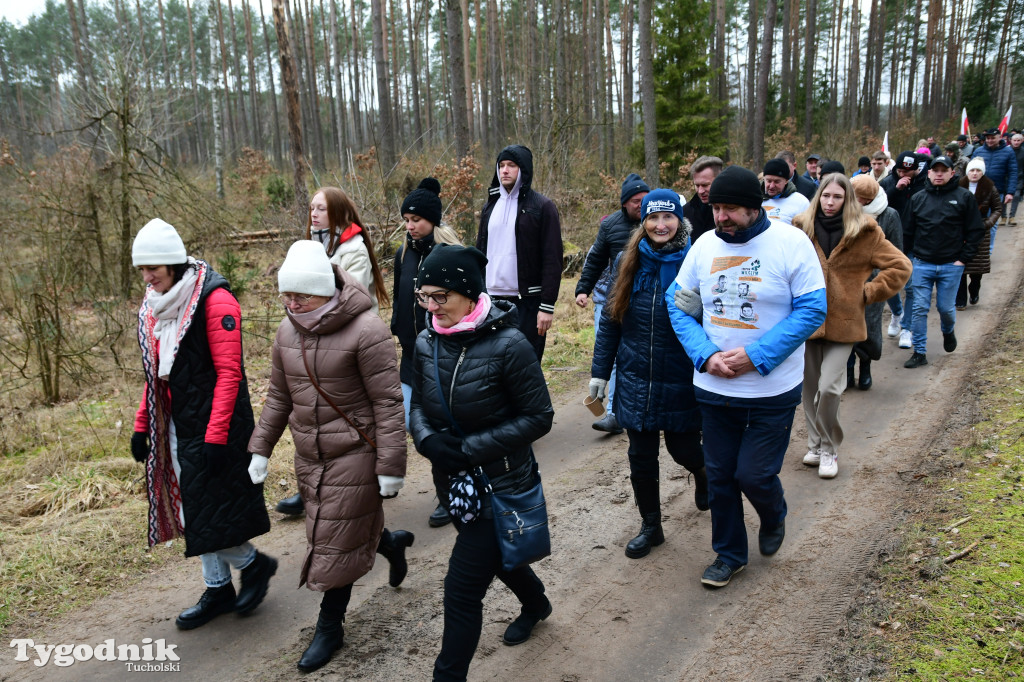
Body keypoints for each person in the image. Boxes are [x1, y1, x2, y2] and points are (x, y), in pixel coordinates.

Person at [247, 241, 409, 672]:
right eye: (286, 294)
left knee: (334, 542)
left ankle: (330, 628)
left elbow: (388, 403)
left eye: (301, 294)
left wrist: (391, 466)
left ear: (325, 289)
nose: (292, 302)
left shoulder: (367, 330)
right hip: (310, 455)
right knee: (343, 530)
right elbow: (279, 396)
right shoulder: (287, 331)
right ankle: (390, 545)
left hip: (355, 452)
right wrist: (260, 447)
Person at [667, 166, 827, 588]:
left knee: (753, 474)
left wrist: (755, 356)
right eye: (716, 208)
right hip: (714, 386)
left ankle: (774, 513)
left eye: (731, 209)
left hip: (773, 388)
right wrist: (705, 355)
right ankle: (730, 554)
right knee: (719, 474)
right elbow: (677, 304)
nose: (721, 217)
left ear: (755, 208)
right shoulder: (703, 246)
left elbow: (812, 309)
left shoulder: (791, 242)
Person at [409, 244, 555, 680]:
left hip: (502, 484)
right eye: (424, 297)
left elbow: (539, 417)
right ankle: (536, 602)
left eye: (441, 297)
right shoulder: (426, 340)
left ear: (470, 295)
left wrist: (472, 448)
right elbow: (418, 404)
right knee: (497, 555)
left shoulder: (510, 345)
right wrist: (427, 441)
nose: (431, 308)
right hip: (453, 480)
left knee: (461, 591)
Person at [130, 218, 274, 631]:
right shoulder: (157, 305)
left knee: (203, 511)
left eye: (151, 268)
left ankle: (252, 566)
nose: (146, 277)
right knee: (198, 509)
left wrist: (215, 438)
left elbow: (231, 374)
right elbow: (154, 372)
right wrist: (143, 426)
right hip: (179, 424)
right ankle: (220, 587)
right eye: (141, 270)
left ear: (172, 263)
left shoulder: (216, 300)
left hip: (218, 425)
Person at [589, 189, 708, 560]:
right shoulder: (628, 260)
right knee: (640, 457)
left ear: (680, 221)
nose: (660, 225)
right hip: (635, 375)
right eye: (653, 218)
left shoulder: (697, 261)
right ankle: (651, 526)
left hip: (679, 377)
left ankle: (703, 474)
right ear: (644, 222)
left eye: (668, 217)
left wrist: (703, 310)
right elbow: (610, 320)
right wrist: (600, 374)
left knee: (683, 448)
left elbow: (722, 321)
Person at [277, 186, 393, 517]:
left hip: (351, 345)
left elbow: (345, 301)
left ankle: (374, 472)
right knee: (314, 417)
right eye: (312, 208)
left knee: (353, 416)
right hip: (317, 343)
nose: (313, 214)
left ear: (338, 213)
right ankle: (313, 487)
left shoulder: (353, 249)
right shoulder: (312, 247)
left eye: (321, 209)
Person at [792, 174, 910, 478]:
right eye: (826, 196)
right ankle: (815, 444)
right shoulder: (799, 228)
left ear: (849, 200)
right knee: (809, 389)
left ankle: (830, 449)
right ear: (819, 197)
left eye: (838, 197)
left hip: (845, 323)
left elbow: (900, 266)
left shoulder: (866, 232)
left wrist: (868, 293)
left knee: (830, 387)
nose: (831, 203)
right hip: (806, 320)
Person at [391, 177, 461, 528]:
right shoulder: (402, 254)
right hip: (411, 355)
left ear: (432, 219)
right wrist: (396, 327)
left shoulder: (448, 255)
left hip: (444, 354)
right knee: (411, 421)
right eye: (406, 219)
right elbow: (398, 297)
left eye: (416, 219)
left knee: (438, 426)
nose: (410, 225)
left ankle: (450, 495)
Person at [574, 173, 651, 435]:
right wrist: (583, 289)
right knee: (612, 353)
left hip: (645, 301)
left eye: (644, 200)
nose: (641, 205)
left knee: (638, 356)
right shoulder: (610, 227)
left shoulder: (655, 225)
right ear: (624, 203)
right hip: (613, 301)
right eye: (635, 201)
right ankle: (614, 415)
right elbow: (595, 259)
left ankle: (637, 406)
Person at [476, 144, 564, 362]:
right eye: (501, 165)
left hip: (528, 303)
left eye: (511, 165)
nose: (504, 170)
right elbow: (479, 254)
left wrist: (547, 306)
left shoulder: (542, 207)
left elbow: (553, 259)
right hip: (491, 303)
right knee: (493, 370)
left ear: (523, 170)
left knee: (526, 367)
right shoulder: (489, 207)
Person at [902, 156, 985, 369]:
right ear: (928, 173)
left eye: (943, 170)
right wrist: (907, 258)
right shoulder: (918, 198)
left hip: (951, 264)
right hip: (922, 263)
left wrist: (963, 259)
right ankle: (919, 351)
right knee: (919, 308)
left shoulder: (964, 197)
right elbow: (907, 231)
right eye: (935, 170)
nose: (939, 174)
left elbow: (976, 230)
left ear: (951, 173)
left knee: (945, 308)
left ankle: (948, 331)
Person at [849, 174, 906, 388]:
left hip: (873, 282)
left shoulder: (888, 215)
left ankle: (865, 365)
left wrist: (881, 282)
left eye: (861, 198)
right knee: (845, 326)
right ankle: (846, 368)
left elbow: (897, 252)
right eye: (854, 197)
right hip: (847, 281)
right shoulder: (844, 214)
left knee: (869, 326)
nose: (857, 202)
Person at [880, 151, 929, 350]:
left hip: (914, 243)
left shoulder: (925, 184)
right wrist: (896, 190)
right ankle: (897, 313)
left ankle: (907, 328)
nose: (904, 175)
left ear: (917, 169)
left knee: (910, 287)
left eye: (909, 172)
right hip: (889, 243)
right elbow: (878, 206)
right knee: (889, 286)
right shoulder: (887, 183)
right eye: (900, 170)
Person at [955, 158, 1001, 309]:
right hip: (960, 229)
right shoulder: (958, 186)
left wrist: (987, 223)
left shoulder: (989, 188)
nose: (974, 173)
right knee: (959, 265)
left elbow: (997, 209)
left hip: (980, 229)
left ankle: (974, 289)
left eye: (978, 170)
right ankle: (960, 299)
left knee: (977, 266)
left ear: (982, 172)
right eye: (972, 170)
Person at [971, 128, 1018, 249]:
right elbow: (969, 171)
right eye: (987, 138)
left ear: (999, 137)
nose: (990, 140)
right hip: (977, 192)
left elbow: (1013, 172)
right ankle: (975, 248)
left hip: (997, 192)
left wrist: (1010, 192)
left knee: (992, 223)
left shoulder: (1008, 152)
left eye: (992, 138)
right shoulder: (978, 151)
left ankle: (988, 250)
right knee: (974, 221)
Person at [685, 156, 725, 240]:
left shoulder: (732, 213)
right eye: (697, 185)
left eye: (705, 185)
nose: (700, 191)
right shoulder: (685, 212)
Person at [761, 158, 810, 225]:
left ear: (786, 181)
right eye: (769, 181)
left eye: (777, 182)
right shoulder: (754, 199)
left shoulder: (801, 202)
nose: (772, 186)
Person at [1008, 132, 1023, 224]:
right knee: (1003, 198)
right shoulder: (1006, 151)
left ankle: (1012, 216)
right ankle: (1003, 216)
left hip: (1019, 177)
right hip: (1006, 177)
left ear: (1022, 141)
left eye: (1018, 140)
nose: (1016, 142)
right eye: (1014, 140)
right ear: (1011, 141)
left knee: (1016, 196)